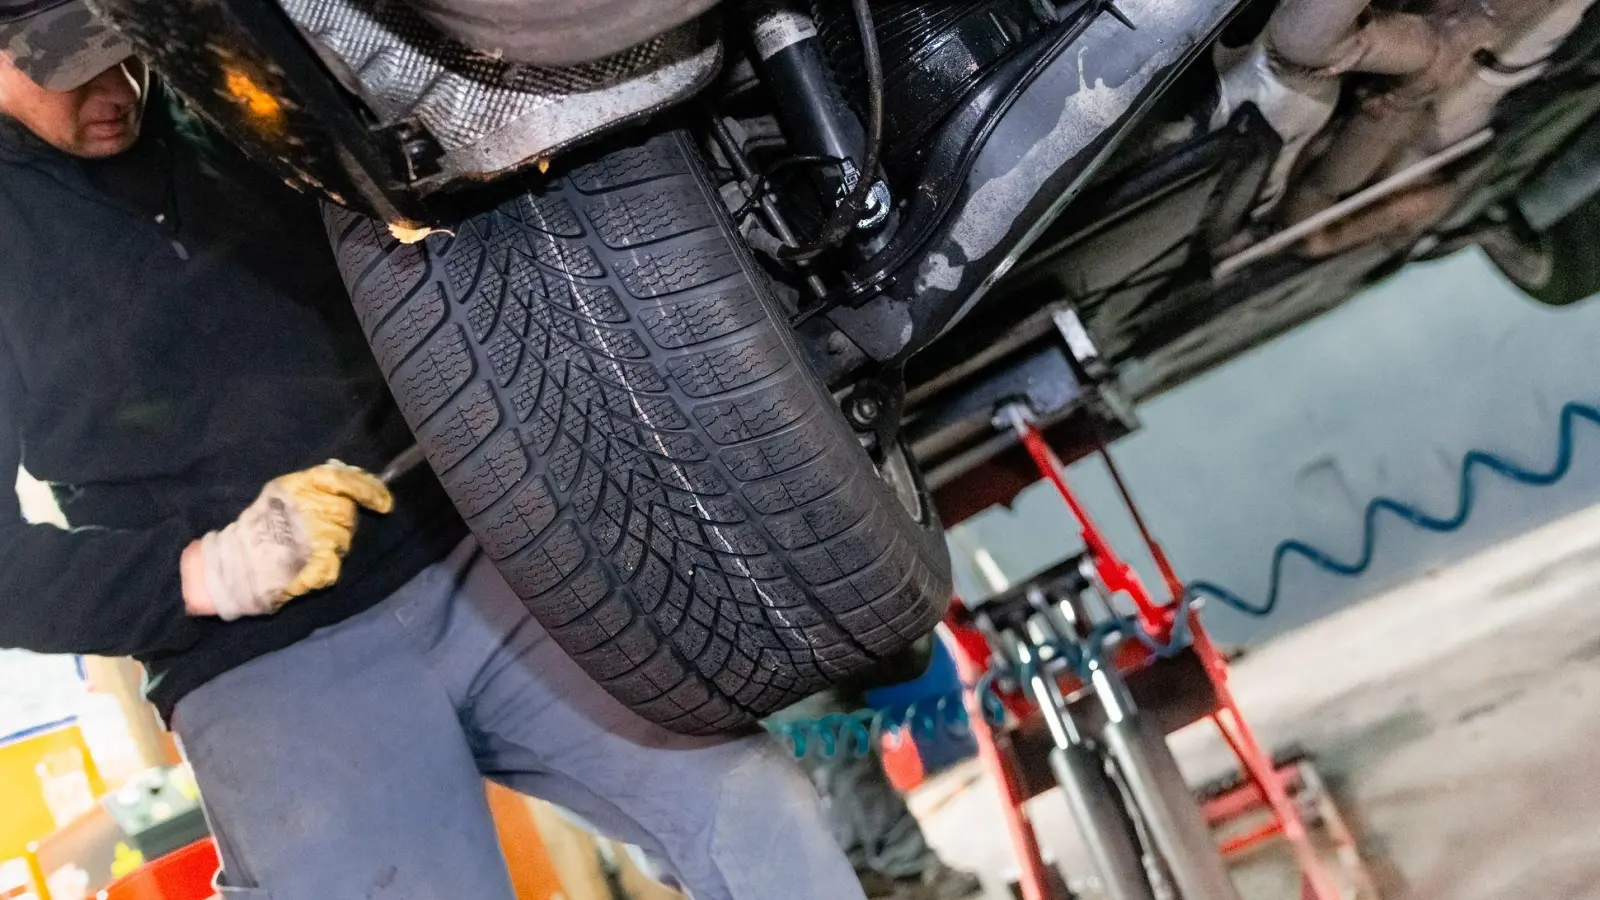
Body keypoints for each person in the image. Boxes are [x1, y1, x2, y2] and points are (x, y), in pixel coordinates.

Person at [0, 3, 868, 898]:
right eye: (70, 75)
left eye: (124, 52)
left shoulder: (231, 110)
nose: (112, 90)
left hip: (474, 561)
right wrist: (206, 574)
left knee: (751, 805)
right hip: (260, 660)